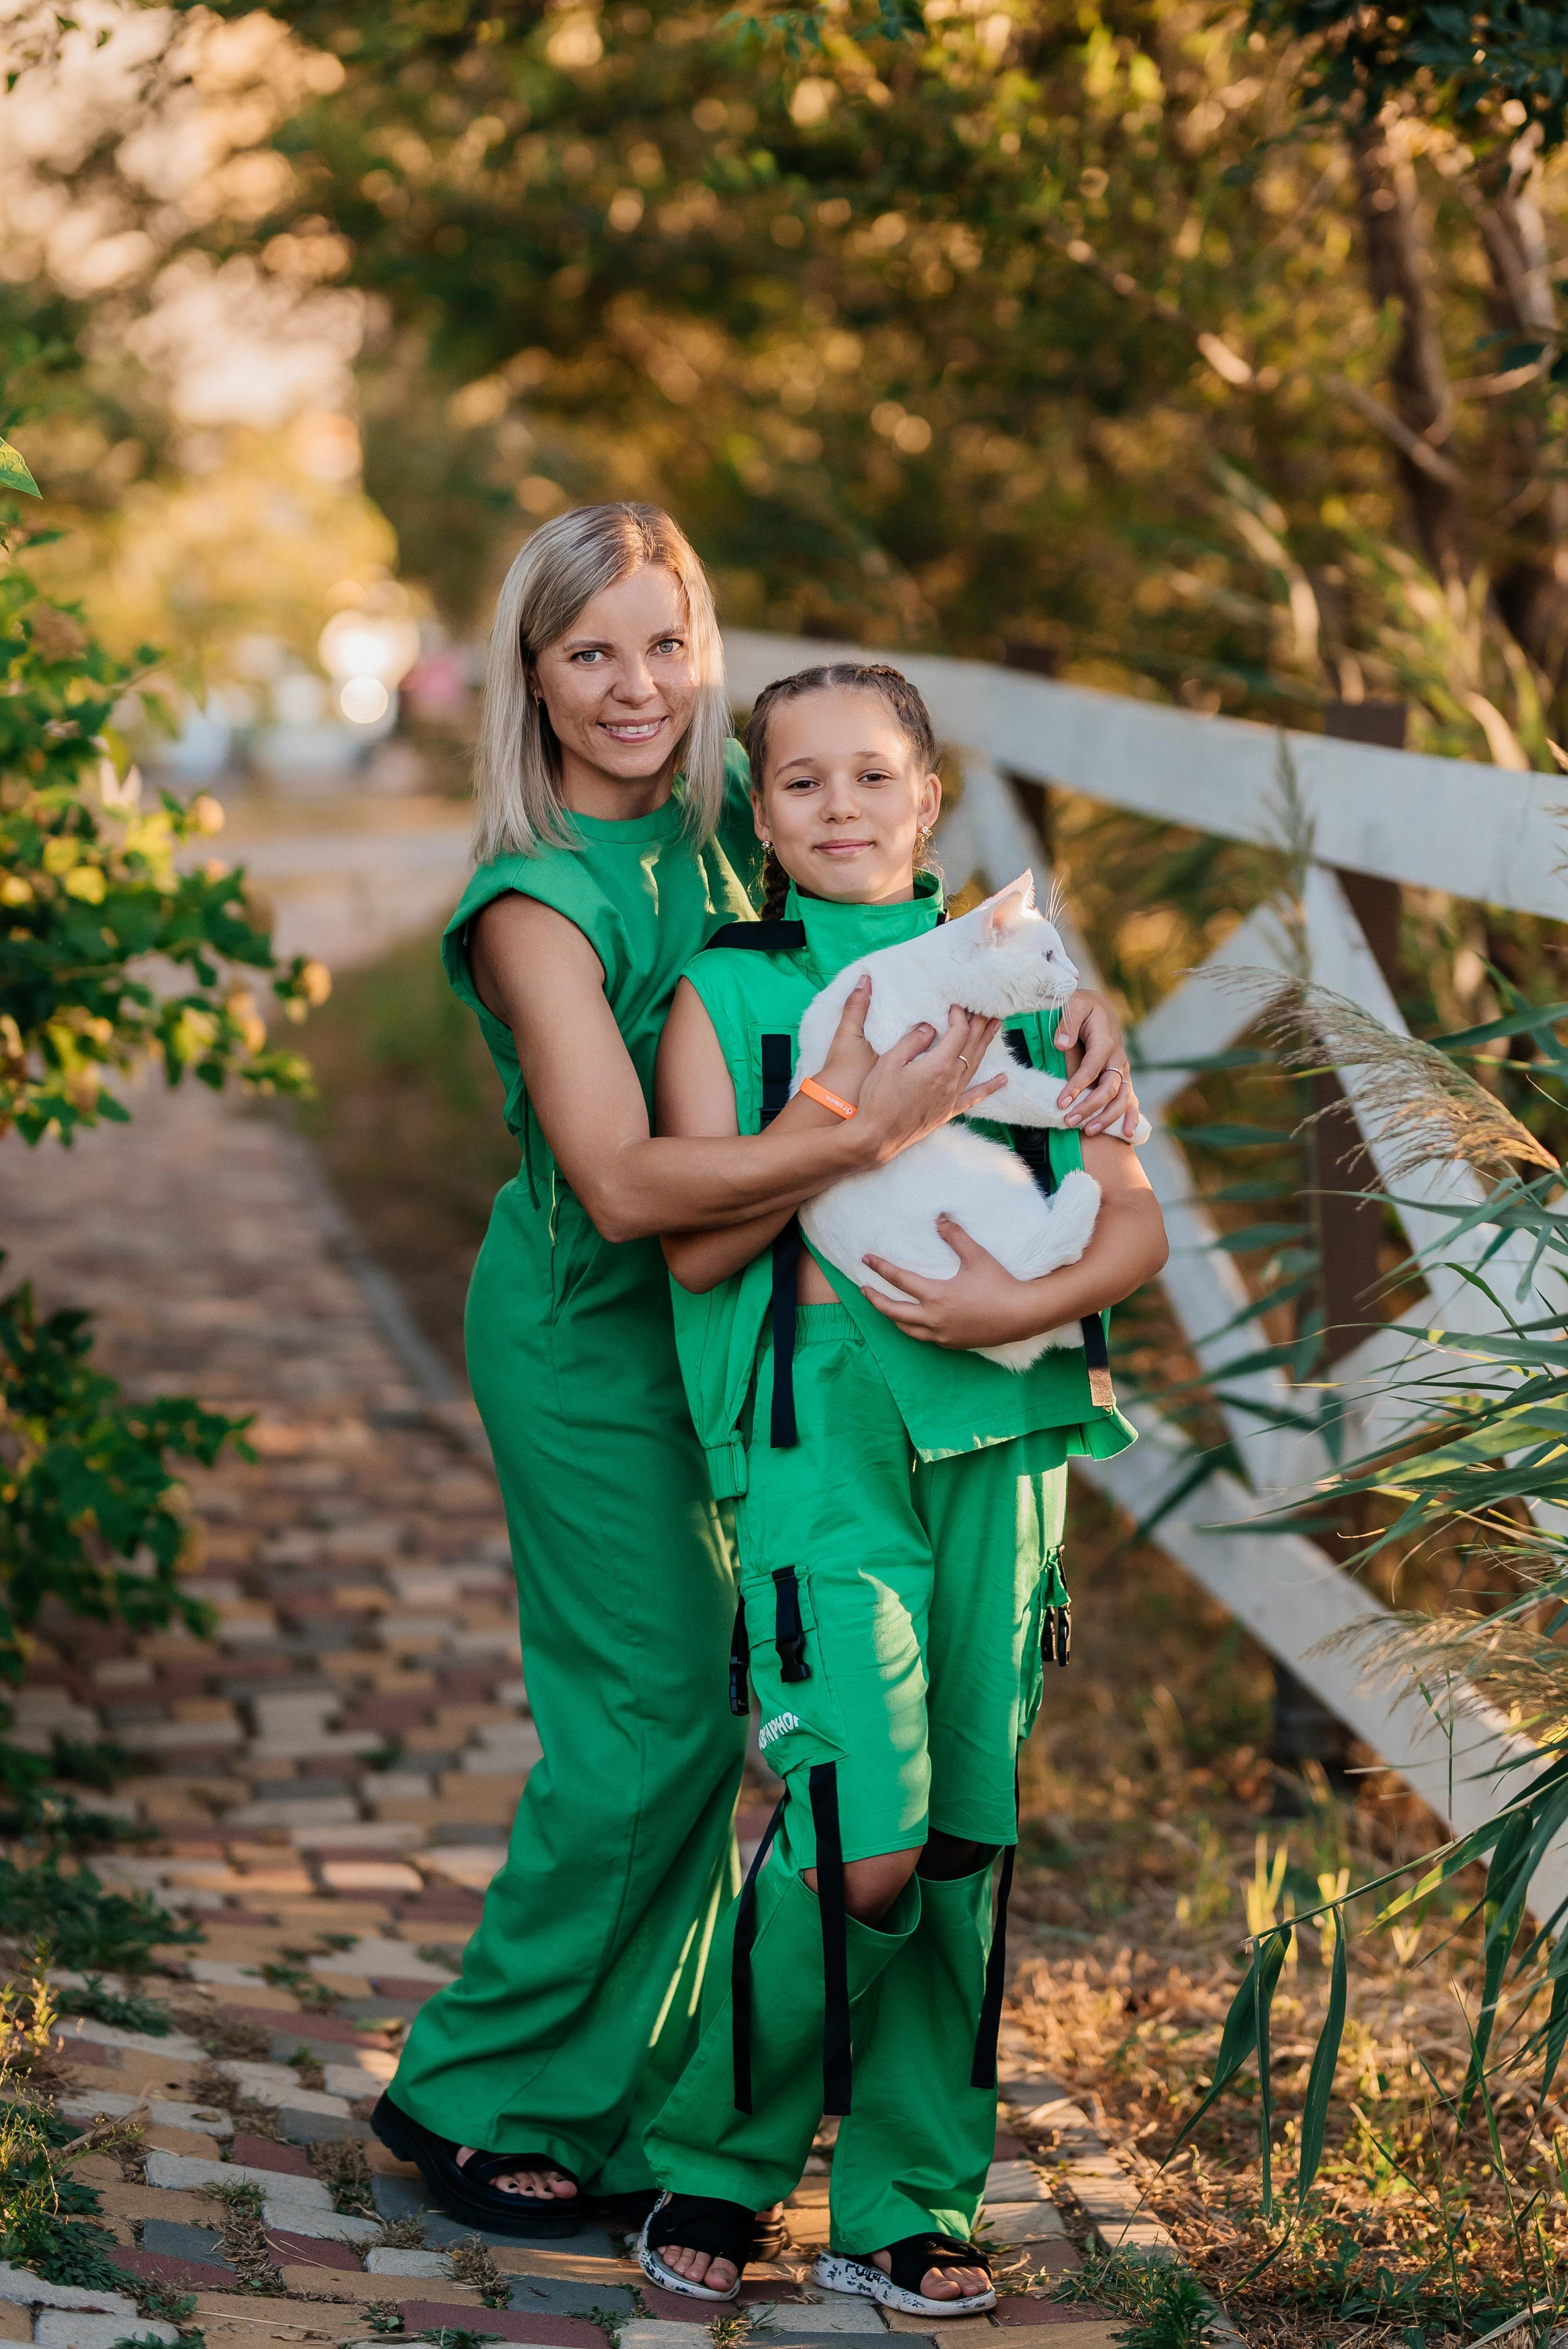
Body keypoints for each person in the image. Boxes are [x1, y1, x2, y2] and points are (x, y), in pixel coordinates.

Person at [371, 505, 1144, 2238]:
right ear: (533, 680)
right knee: (647, 1725)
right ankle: (487, 2085)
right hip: (593, 1329)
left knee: (753, 1733)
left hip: (760, 1343)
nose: (635, 686)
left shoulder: (741, 821)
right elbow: (635, 1185)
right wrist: (852, 1126)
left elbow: (912, 899)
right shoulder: (536, 902)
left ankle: (637, 2089)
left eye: (665, 643)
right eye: (589, 654)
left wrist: (1071, 1004)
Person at [638, 662, 1168, 2311]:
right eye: (804, 782)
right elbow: (705, 1230)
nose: (844, 806)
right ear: (764, 816)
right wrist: (851, 1124)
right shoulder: (726, 992)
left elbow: (1128, 1209)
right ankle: (719, 2159)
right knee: (860, 1825)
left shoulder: (1025, 973)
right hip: (817, 1460)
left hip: (1001, 1463)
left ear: (928, 799)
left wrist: (1027, 1303)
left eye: (875, 776)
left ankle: (908, 2199)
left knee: (959, 1841)